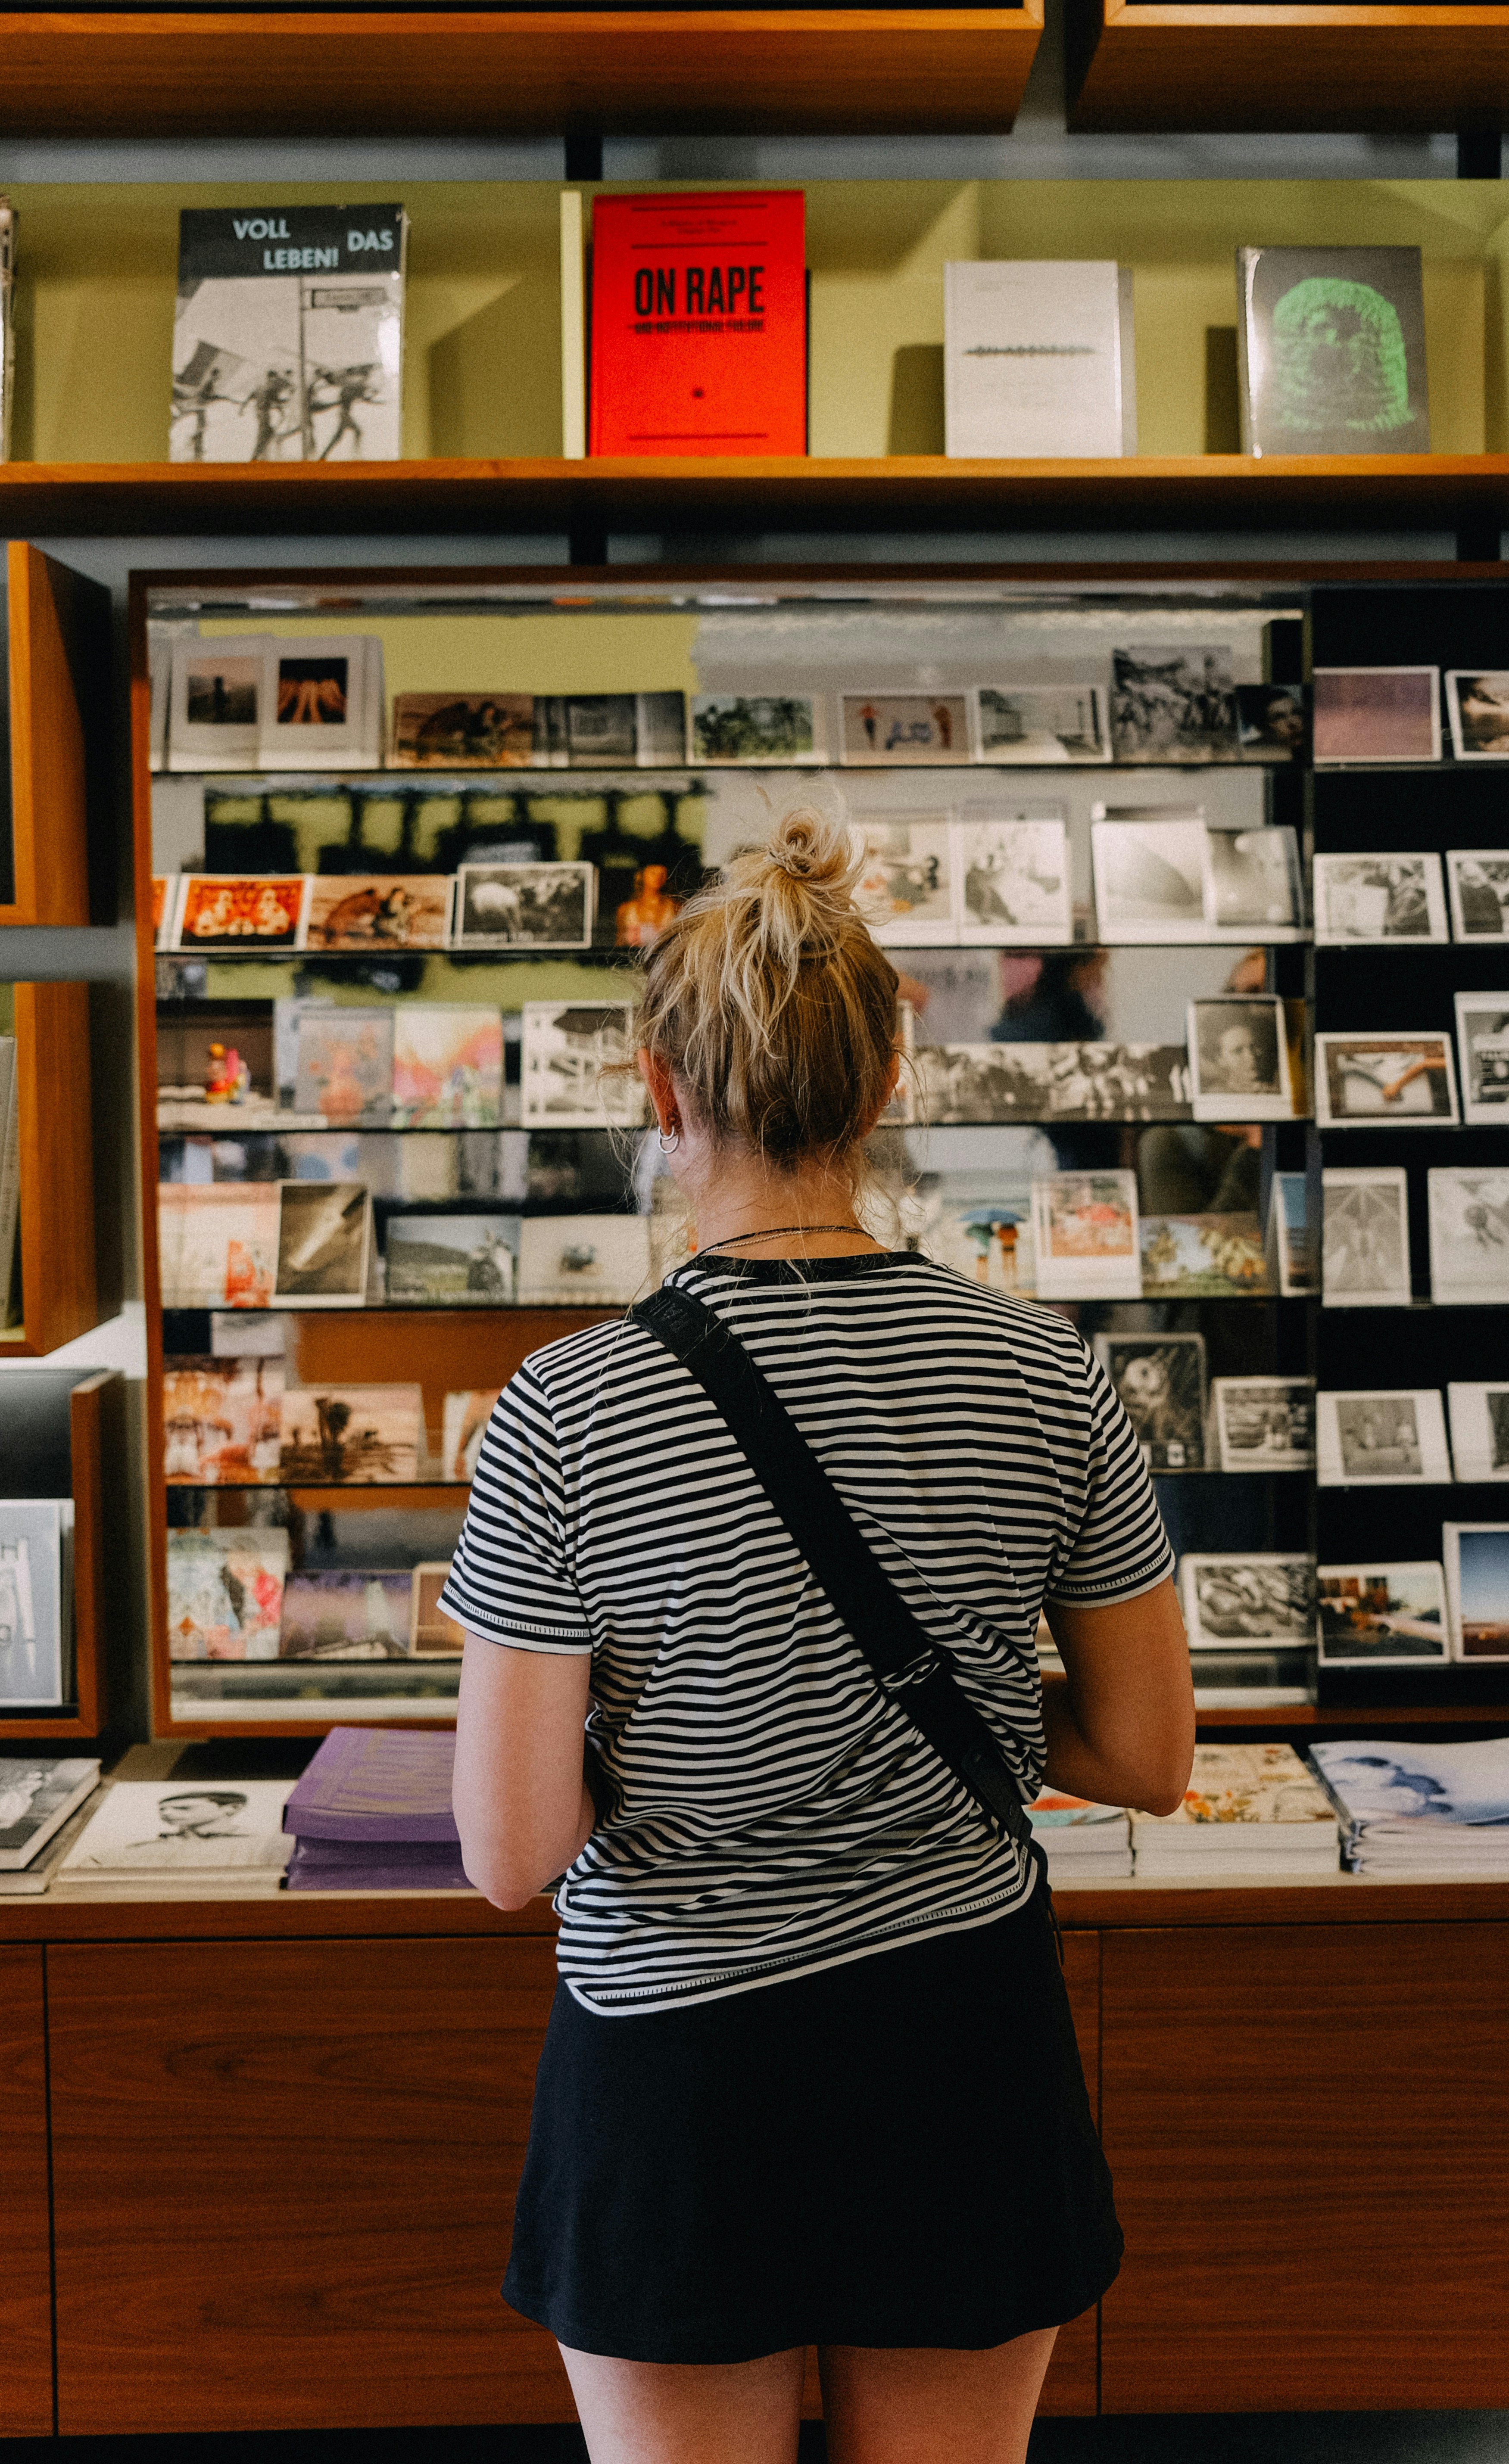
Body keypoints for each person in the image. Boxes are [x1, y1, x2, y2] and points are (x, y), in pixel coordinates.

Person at [446, 809, 1193, 2464]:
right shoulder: (1048, 1371)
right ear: (884, 1088)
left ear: (659, 1089)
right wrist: (984, 1719)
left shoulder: (565, 1410)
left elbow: (512, 1849)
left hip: (677, 2072)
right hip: (964, 2050)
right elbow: (1147, 1754)